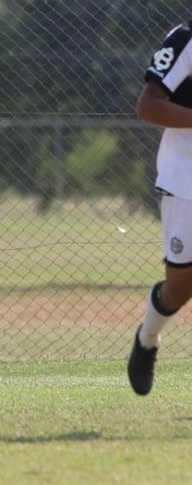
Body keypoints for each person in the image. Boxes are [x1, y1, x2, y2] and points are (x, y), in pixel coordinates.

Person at [128, 20, 192, 395]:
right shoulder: (186, 39)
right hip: (185, 179)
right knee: (180, 287)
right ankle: (147, 338)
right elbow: (148, 105)